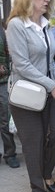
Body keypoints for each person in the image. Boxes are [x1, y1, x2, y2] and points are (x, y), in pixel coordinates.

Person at [6, 0, 55, 192]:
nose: (48, 0)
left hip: (47, 93)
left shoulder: (46, 26)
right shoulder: (16, 25)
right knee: (33, 143)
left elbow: (50, 63)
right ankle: (37, 189)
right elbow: (22, 65)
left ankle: (46, 173)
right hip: (26, 96)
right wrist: (51, 85)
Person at [0, 24, 19, 168]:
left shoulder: (3, 30)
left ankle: (10, 153)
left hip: (3, 81)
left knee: (5, 118)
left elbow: (10, 54)